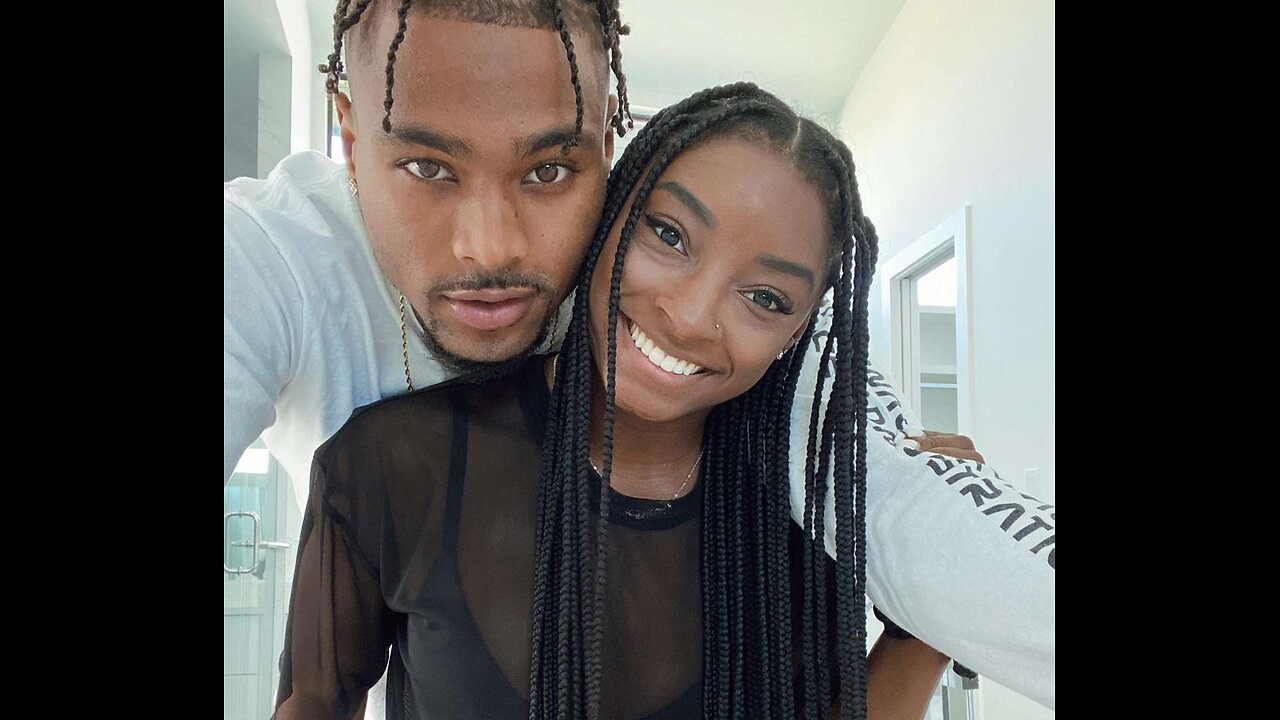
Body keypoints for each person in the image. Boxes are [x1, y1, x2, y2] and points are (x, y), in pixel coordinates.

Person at [224, 0, 1054, 711]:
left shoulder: (796, 509)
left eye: (549, 169)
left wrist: (930, 611)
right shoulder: (375, 451)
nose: (691, 317)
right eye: (668, 235)